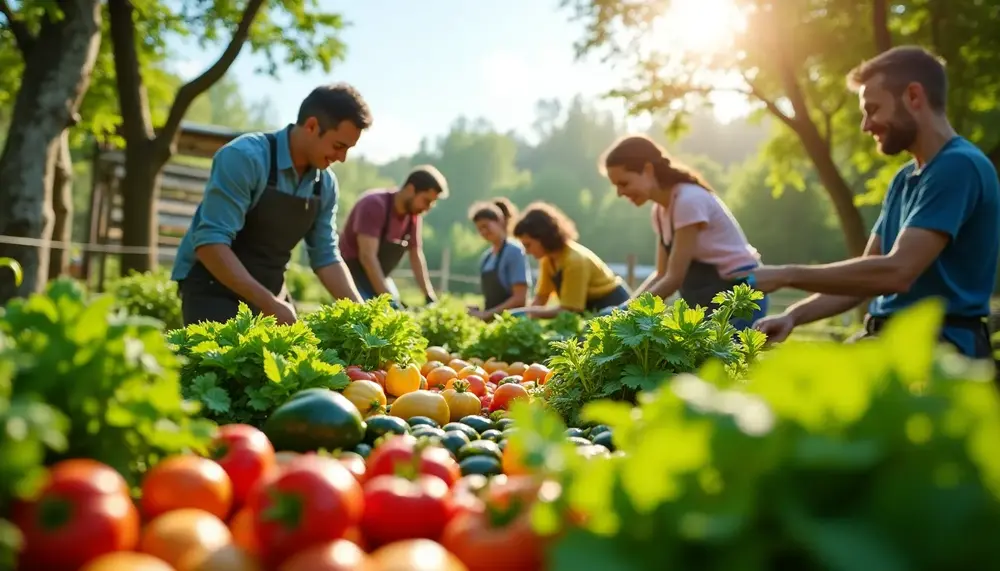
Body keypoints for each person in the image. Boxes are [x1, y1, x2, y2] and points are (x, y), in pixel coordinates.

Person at [731, 46, 1000, 360]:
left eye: (872, 109)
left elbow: (896, 273)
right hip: (885, 339)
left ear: (914, 96)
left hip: (940, 351)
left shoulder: (959, 166)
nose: (866, 125)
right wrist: (793, 315)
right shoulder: (904, 179)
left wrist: (786, 274)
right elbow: (865, 279)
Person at [171, 83, 370, 326]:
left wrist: (364, 316)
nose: (342, 158)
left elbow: (326, 256)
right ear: (311, 126)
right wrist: (269, 303)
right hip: (213, 288)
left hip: (270, 291)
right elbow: (210, 244)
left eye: (348, 149)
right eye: (338, 146)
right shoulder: (244, 158)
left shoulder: (325, 184)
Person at [600, 134, 768, 327]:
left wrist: (624, 314)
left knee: (720, 358)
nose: (620, 193)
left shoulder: (688, 200)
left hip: (739, 298)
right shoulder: (660, 211)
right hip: (709, 300)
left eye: (624, 183)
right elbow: (662, 274)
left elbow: (673, 279)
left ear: (647, 169)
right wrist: (625, 308)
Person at [338, 166, 448, 306]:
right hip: (351, 276)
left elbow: (416, 255)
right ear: (410, 189)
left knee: (397, 312)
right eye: (426, 201)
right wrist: (389, 300)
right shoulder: (374, 205)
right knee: (369, 317)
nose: (427, 208)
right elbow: (367, 257)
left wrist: (429, 296)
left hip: (379, 276)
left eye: (432, 204)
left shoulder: (412, 216)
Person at [510, 202, 630, 317]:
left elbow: (571, 309)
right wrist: (526, 318)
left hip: (615, 306)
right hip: (593, 311)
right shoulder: (548, 261)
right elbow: (541, 298)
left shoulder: (575, 260)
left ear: (543, 237)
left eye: (528, 245)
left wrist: (530, 311)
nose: (526, 251)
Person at [467, 198, 532, 320]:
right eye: (480, 228)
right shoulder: (486, 258)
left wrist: (488, 314)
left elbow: (520, 298)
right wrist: (480, 312)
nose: (483, 231)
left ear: (500, 221)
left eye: (486, 226)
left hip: (513, 322)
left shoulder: (514, 251)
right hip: (492, 323)